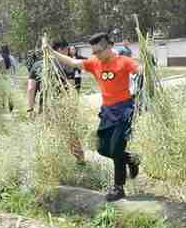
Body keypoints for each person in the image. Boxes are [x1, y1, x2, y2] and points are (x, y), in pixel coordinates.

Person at [45, 32, 142, 202]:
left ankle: (119, 188)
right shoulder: (94, 62)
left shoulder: (124, 61)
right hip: (107, 111)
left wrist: (147, 64)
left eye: (98, 51)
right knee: (103, 149)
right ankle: (131, 159)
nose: (95, 55)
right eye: (94, 51)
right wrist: (51, 52)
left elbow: (141, 70)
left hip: (125, 109)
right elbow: (73, 62)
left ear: (109, 46)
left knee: (116, 148)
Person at [27, 40, 84, 162]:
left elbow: (31, 88)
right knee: (71, 133)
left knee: (49, 134)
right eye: (66, 50)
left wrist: (30, 109)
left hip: (46, 107)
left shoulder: (37, 65)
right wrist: (73, 106)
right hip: (64, 106)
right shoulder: (66, 65)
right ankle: (80, 160)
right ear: (59, 50)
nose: (67, 52)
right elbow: (72, 86)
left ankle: (52, 163)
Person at [0, 43, 17, 112]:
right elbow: (12, 68)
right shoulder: (7, 58)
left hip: (3, 78)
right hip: (7, 77)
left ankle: (4, 107)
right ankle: (8, 107)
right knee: (8, 93)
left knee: (3, 94)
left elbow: (3, 70)